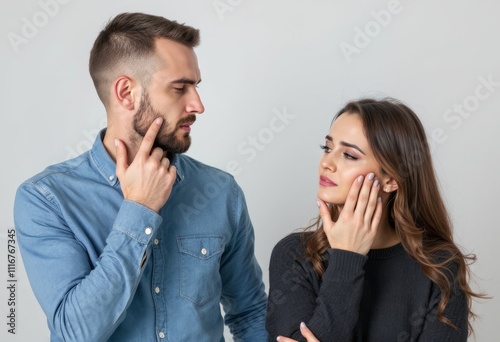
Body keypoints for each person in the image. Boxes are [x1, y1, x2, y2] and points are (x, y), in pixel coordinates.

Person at [14, 12, 267, 341]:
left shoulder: (221, 192)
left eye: (196, 87)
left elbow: (250, 313)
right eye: (180, 88)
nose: (198, 105)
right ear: (126, 93)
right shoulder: (46, 199)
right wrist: (139, 210)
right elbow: (74, 333)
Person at [265, 98, 483, 342]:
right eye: (327, 148)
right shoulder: (294, 255)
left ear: (391, 179)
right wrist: (347, 259)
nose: (326, 163)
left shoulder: (439, 268)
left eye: (348, 155)